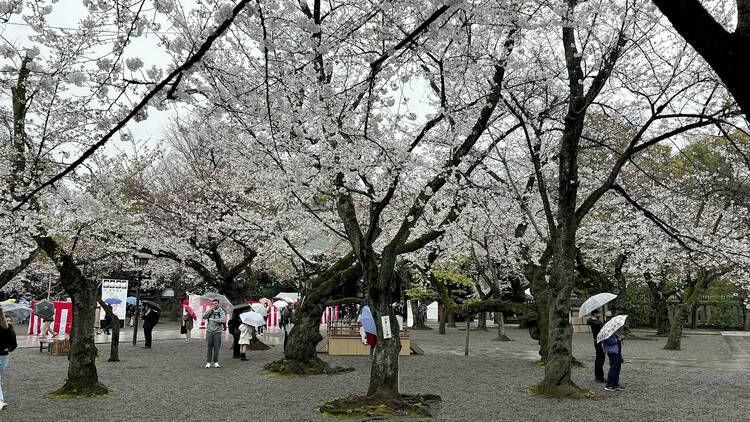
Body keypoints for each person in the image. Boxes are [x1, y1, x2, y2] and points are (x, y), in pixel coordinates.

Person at [1, 306, 18, 411]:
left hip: (4, 357)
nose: (8, 322)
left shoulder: (11, 330)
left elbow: (14, 345)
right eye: (6, 320)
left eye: (10, 321)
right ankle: (0, 400)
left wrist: (9, 348)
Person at [203, 299, 225, 368]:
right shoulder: (210, 311)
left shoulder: (221, 311)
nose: (214, 305)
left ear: (218, 304)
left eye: (215, 303)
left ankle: (216, 362)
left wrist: (214, 320)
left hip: (217, 332)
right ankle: (208, 362)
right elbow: (204, 316)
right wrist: (209, 310)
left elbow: (222, 320)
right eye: (213, 304)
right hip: (209, 331)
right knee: (209, 347)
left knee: (216, 347)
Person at [586, 309, 606, 383]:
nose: (599, 314)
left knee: (599, 359)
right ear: (595, 314)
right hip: (599, 341)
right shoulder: (595, 322)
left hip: (598, 340)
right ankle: (599, 377)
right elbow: (602, 327)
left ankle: (599, 376)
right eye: (598, 313)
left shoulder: (594, 321)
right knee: (600, 359)